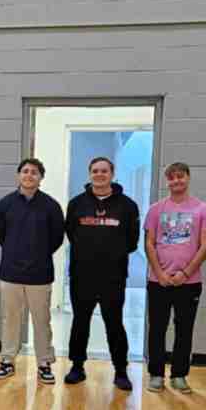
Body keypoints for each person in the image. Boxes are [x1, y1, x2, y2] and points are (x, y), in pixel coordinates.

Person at [63, 157, 140, 391]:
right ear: (89, 174)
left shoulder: (128, 206)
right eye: (95, 171)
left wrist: (109, 255)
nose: (99, 174)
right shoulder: (76, 204)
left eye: (104, 171)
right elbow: (71, 234)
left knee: (114, 323)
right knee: (80, 322)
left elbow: (132, 242)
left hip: (113, 276)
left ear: (112, 173)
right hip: (82, 275)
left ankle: (120, 370)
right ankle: (77, 367)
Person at [143, 162, 206, 393]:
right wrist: (160, 273)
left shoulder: (203, 209)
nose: (176, 181)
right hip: (159, 281)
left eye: (180, 177)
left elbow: (205, 246)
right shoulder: (156, 209)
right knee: (156, 328)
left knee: (184, 329)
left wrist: (185, 273)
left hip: (189, 282)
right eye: (172, 177)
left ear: (188, 178)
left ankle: (179, 375)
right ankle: (156, 374)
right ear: (167, 181)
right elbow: (149, 243)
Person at [0, 157, 65, 383]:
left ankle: (44, 363)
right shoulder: (5, 204)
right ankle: (7, 360)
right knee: (10, 318)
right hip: (10, 273)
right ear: (18, 175)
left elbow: (57, 238)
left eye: (34, 172)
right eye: (25, 171)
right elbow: (1, 234)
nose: (29, 175)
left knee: (41, 320)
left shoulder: (51, 206)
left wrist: (37, 255)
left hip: (39, 274)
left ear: (41, 178)